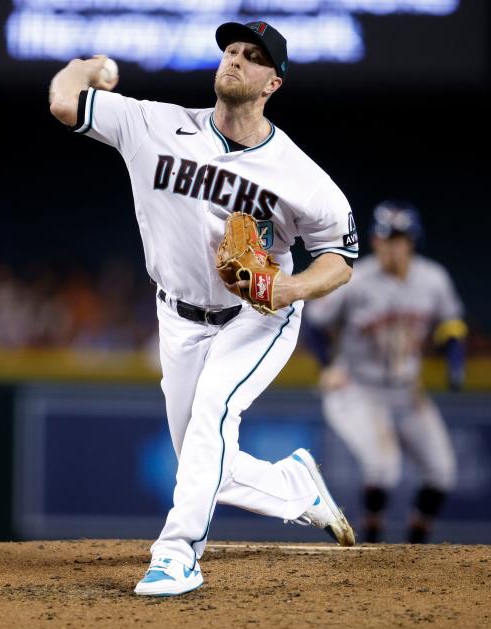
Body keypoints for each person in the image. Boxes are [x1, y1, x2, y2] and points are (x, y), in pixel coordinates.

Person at [48, 21, 360, 596]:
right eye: (232, 51)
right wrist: (90, 67)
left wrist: (286, 291)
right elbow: (65, 101)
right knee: (203, 461)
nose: (236, 60)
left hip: (257, 316)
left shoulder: (300, 176)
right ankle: (296, 488)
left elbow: (339, 259)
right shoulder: (155, 124)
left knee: (212, 418)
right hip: (177, 316)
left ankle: (176, 556)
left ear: (273, 83)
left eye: (253, 57)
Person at [305, 201, 467, 544]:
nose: (392, 246)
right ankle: (373, 548)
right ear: (374, 241)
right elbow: (315, 324)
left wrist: (455, 362)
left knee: (442, 473)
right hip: (359, 388)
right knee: (383, 468)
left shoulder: (433, 279)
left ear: (412, 242)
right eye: (386, 238)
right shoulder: (355, 279)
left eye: (400, 239)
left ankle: (414, 549)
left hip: (407, 390)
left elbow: (451, 324)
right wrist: (326, 366)